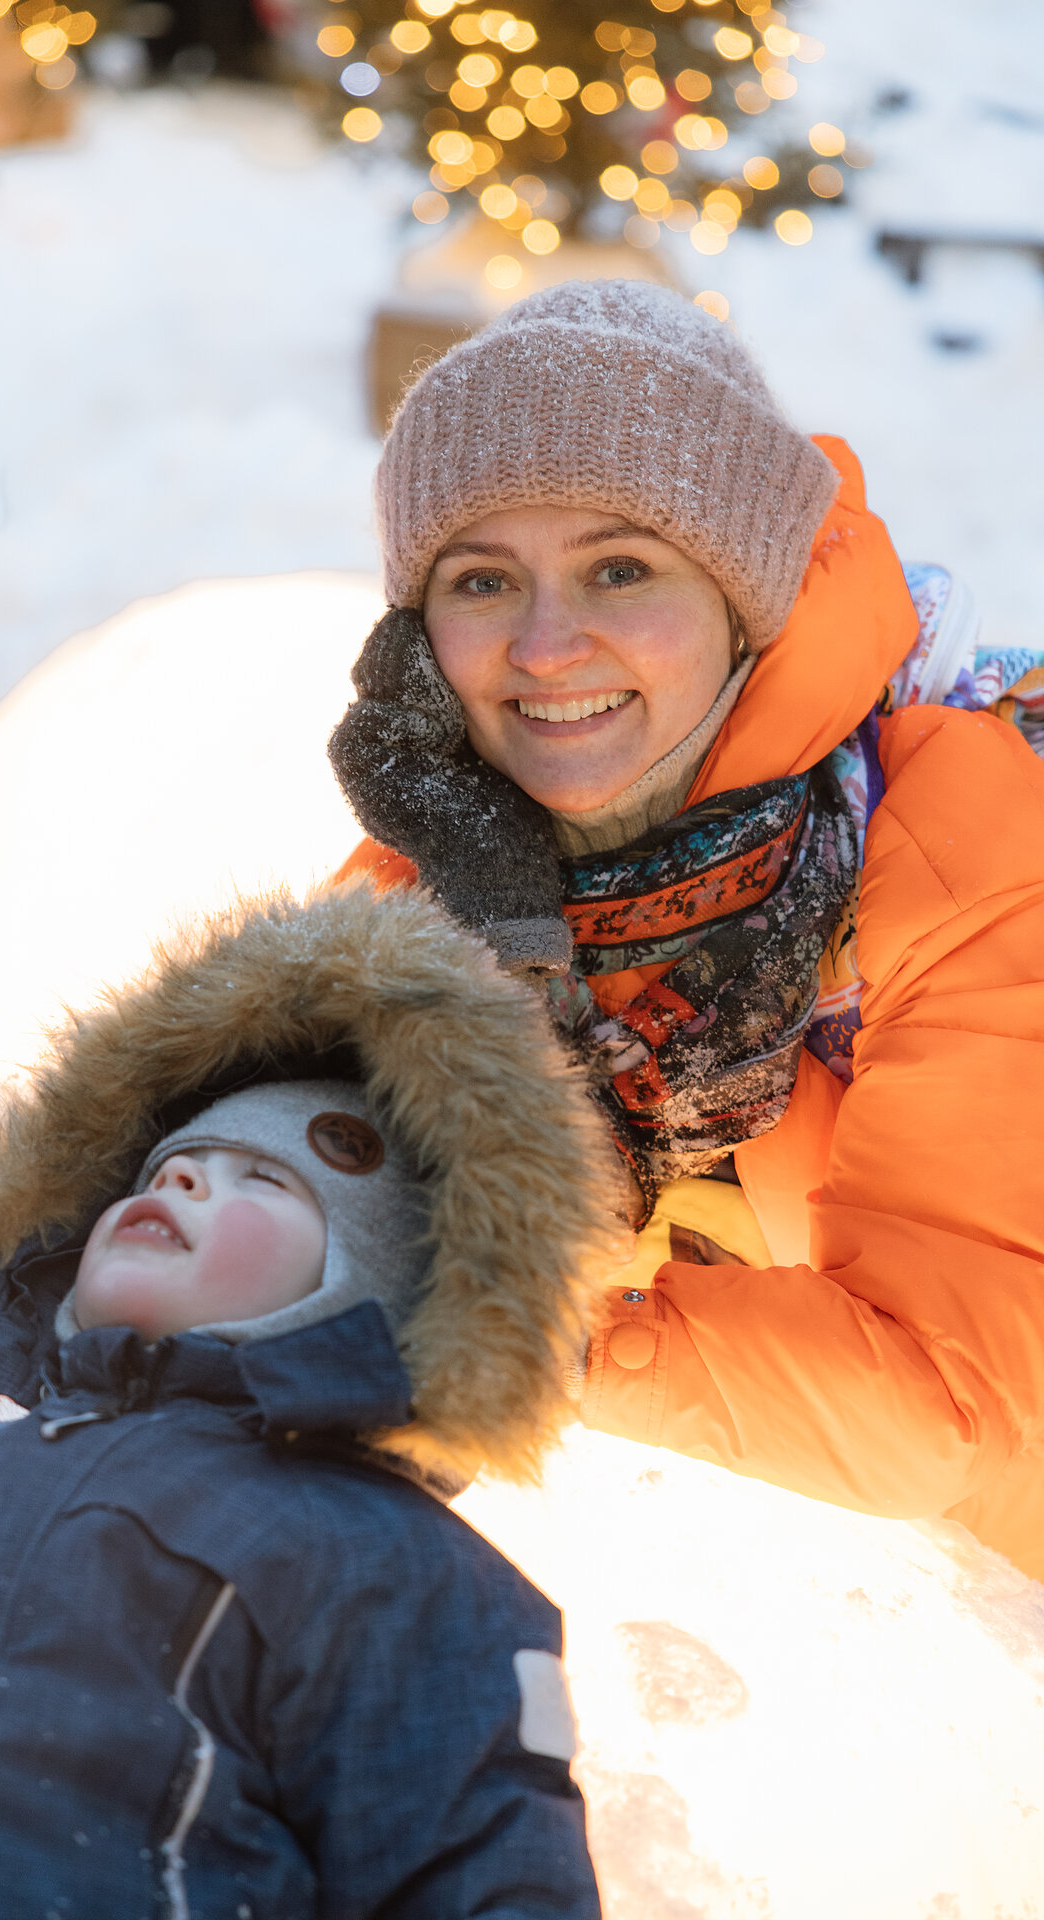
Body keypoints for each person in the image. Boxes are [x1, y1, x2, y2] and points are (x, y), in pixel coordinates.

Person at [329, 277, 1044, 1582]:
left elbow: (956, 1399)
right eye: (482, 579)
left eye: (621, 568)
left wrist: (514, 1342)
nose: (546, 646)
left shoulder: (960, 835)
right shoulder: (430, 888)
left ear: (742, 595)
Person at [0, 886, 615, 1920]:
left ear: (368, 1295)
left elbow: (479, 1879)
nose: (180, 1187)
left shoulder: (392, 1565)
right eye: (168, 1168)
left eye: (263, 1179)